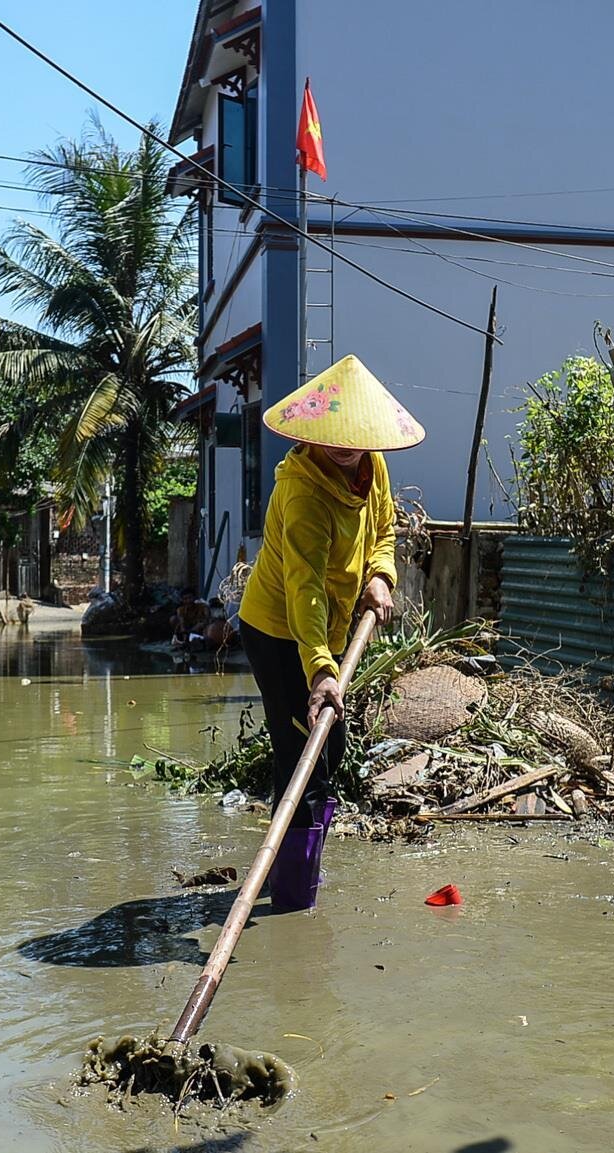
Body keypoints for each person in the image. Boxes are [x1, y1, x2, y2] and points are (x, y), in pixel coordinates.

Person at [237, 355, 425, 912]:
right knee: (303, 760)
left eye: (357, 437)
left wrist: (382, 576)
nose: (346, 447)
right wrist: (320, 667)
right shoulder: (303, 495)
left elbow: (385, 527)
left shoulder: (371, 467)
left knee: (331, 746)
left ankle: (290, 877)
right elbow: (305, 589)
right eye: (336, 437)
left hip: (333, 622)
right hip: (279, 631)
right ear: (316, 431)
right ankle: (294, 902)